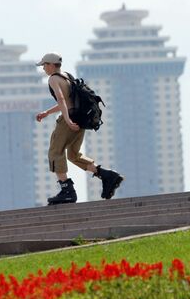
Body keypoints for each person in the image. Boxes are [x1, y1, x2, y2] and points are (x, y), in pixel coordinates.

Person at [35, 52, 124, 204]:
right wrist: (47, 113)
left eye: (44, 65)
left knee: (55, 152)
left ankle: (67, 191)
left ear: (50, 65)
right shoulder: (67, 76)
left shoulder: (53, 79)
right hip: (80, 118)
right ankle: (106, 175)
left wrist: (68, 120)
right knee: (73, 155)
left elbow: (62, 100)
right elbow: (70, 101)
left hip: (69, 120)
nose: (43, 68)